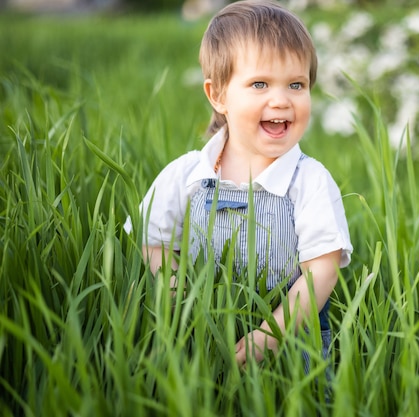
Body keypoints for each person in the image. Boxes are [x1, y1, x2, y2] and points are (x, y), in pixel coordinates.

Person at [125, 0, 352, 369]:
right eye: (259, 83)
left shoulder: (309, 181)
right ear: (218, 96)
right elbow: (154, 240)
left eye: (296, 84)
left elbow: (321, 270)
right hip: (201, 335)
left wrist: (271, 333)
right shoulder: (189, 175)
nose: (281, 99)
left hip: (291, 339)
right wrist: (182, 300)